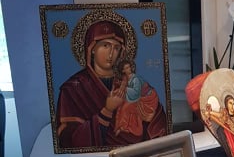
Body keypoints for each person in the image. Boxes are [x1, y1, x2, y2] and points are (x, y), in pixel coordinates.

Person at [56, 20, 167, 149]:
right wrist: (107, 111)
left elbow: (157, 119)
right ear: (92, 49)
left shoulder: (129, 82)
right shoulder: (74, 88)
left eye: (116, 48)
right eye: (105, 45)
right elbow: (68, 139)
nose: (111, 53)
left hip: (136, 154)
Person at [114, 59, 167, 139]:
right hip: (139, 97)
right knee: (122, 106)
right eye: (127, 68)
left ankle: (128, 128)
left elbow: (136, 93)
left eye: (129, 67)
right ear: (123, 70)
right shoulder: (126, 78)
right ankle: (122, 126)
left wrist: (125, 89)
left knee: (126, 107)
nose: (129, 69)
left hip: (148, 99)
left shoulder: (135, 79)